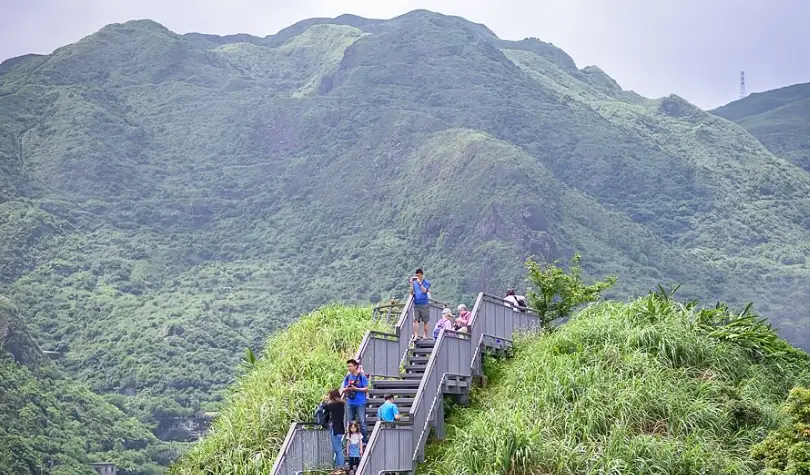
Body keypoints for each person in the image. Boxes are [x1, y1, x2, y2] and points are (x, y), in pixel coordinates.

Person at [341, 359, 369, 444]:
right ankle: (352, 440)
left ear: (355, 366)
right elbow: (344, 388)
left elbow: (366, 388)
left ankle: (364, 440)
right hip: (350, 402)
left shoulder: (362, 376)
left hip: (360, 402)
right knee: (350, 421)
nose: (348, 368)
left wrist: (356, 389)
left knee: (362, 421)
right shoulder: (348, 377)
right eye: (348, 366)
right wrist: (348, 389)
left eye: (350, 366)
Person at [324, 389, 346, 469]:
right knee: (338, 449)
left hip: (335, 429)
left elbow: (324, 407)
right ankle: (338, 467)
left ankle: (341, 467)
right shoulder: (341, 404)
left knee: (338, 449)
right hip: (340, 428)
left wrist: (326, 401)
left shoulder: (332, 405)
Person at [410, 268, 431, 340]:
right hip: (416, 304)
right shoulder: (414, 283)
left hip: (424, 303)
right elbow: (412, 292)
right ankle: (416, 335)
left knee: (425, 321)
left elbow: (424, 291)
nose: (418, 277)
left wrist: (420, 283)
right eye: (416, 276)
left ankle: (425, 335)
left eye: (419, 276)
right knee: (415, 320)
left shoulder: (426, 282)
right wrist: (411, 284)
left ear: (422, 275)